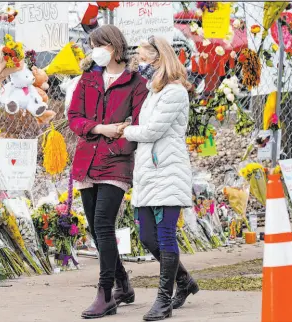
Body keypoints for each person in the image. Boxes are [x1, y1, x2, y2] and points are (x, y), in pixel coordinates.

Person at [68, 24, 149, 319]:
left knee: (103, 224)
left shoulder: (135, 83)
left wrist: (123, 132)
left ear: (113, 47)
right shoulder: (88, 79)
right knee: (94, 226)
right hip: (87, 160)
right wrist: (101, 128)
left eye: (97, 45)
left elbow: (139, 122)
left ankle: (106, 294)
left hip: (116, 160)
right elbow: (74, 118)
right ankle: (124, 284)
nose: (94, 51)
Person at [121, 36, 199, 321]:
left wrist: (125, 131)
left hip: (168, 169)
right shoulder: (155, 91)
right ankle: (186, 281)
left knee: (165, 234)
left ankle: (163, 299)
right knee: (146, 236)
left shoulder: (175, 92)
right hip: (149, 170)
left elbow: (152, 130)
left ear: (158, 59)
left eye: (142, 57)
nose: (138, 63)